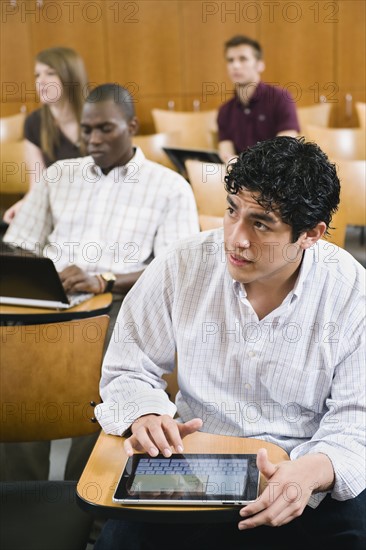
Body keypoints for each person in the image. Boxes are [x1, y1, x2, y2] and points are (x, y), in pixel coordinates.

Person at [94, 137, 365, 550]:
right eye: (232, 211)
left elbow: (355, 418)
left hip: (299, 470)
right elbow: (129, 367)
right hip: (192, 466)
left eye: (261, 224)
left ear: (311, 234)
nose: (235, 239)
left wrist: (313, 471)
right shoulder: (183, 263)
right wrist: (145, 413)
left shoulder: (349, 291)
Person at [1, 83, 199, 482]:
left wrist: (105, 280)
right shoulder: (60, 175)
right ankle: (22, 496)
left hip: (116, 305)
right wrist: (41, 274)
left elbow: (174, 269)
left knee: (107, 374)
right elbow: (20, 244)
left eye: (105, 129)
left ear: (131, 125)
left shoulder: (169, 186)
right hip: (48, 301)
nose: (93, 139)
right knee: (13, 374)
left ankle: (86, 492)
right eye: (87, 130)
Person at [3, 46, 88, 224]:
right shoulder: (34, 123)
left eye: (50, 73)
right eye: (37, 75)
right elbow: (38, 185)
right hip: (59, 213)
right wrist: (25, 205)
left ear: (71, 77)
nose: (41, 81)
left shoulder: (96, 116)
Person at [218, 35, 300, 163]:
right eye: (230, 60)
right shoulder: (225, 110)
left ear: (260, 65)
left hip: (276, 174)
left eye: (243, 59)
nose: (235, 65)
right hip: (240, 176)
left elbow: (286, 146)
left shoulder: (281, 98)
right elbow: (226, 152)